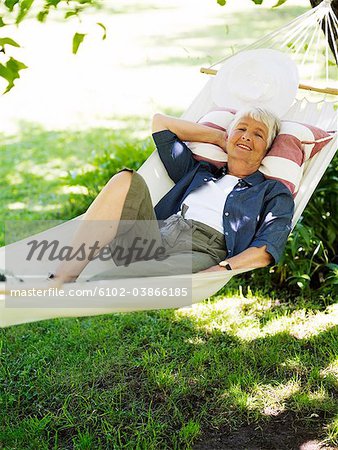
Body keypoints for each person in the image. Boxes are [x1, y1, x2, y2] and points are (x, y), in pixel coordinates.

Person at [50, 107, 294, 284]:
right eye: (241, 129)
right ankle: (61, 278)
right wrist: (220, 137)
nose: (246, 136)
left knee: (119, 280)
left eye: (258, 134)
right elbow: (160, 123)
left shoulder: (272, 193)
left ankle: (83, 290)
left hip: (202, 252)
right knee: (125, 180)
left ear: (268, 148)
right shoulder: (198, 171)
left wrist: (223, 268)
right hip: (156, 237)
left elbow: (266, 249)